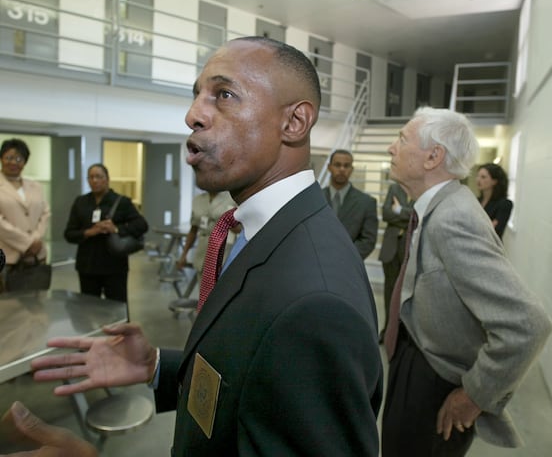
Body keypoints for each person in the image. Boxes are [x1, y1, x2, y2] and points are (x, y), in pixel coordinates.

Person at [5, 37, 383, 457]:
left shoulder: (317, 301)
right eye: (197, 95)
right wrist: (157, 367)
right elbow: (254, 377)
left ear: (293, 123)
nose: (192, 115)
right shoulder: (258, 232)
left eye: (224, 95)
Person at [381, 107, 552, 457]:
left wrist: (475, 394)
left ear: (433, 156)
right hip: (417, 360)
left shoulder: (453, 218)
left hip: (434, 383)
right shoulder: (439, 207)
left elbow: (528, 325)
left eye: (401, 139)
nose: (390, 148)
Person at [63, 164, 148, 306]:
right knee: (87, 310)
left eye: (99, 177)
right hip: (87, 266)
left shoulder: (122, 202)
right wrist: (89, 232)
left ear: (107, 179)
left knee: (117, 309)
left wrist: (115, 229)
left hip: (114, 266)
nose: (95, 180)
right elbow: (69, 234)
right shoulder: (81, 202)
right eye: (91, 177)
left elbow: (142, 225)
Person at [0, 138, 50, 291]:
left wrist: (35, 240)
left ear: (25, 162)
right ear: (1, 158)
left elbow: (45, 213)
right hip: (7, 257)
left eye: (18, 158)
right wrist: (27, 243)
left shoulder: (35, 186)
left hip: (36, 257)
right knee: (8, 309)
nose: (13, 162)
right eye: (9, 157)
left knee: (36, 306)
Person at [322, 149, 378, 259]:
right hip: (316, 263)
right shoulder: (316, 198)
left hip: (349, 266)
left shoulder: (366, 203)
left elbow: (368, 241)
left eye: (346, 166)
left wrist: (344, 257)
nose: (342, 169)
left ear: (351, 169)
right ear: (329, 167)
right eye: (337, 165)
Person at [377, 182, 413, 342]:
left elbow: (420, 216)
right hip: (391, 248)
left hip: (410, 248)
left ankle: (403, 333)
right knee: (389, 292)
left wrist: (398, 211)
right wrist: (407, 217)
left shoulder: (421, 186)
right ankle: (387, 330)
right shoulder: (394, 188)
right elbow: (385, 214)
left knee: (408, 293)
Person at [175, 190, 237, 280]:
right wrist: (184, 255)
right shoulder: (198, 200)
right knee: (203, 289)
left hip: (225, 250)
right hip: (203, 250)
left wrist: (226, 221)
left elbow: (239, 229)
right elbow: (193, 230)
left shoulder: (231, 198)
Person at [476, 162, 513, 239]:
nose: (478, 180)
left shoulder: (505, 204)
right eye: (478, 176)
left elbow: (495, 232)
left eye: (483, 177)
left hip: (491, 248)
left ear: (494, 181)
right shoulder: (476, 201)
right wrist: (488, 226)